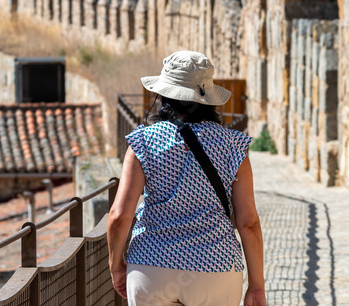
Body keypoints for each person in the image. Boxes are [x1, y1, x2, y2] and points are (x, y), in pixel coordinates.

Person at [106, 51, 266, 306]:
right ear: (209, 98)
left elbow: (119, 216)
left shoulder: (143, 142)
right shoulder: (234, 145)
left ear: (164, 95)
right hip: (216, 266)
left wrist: (116, 266)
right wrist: (257, 286)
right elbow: (248, 223)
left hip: (152, 264)